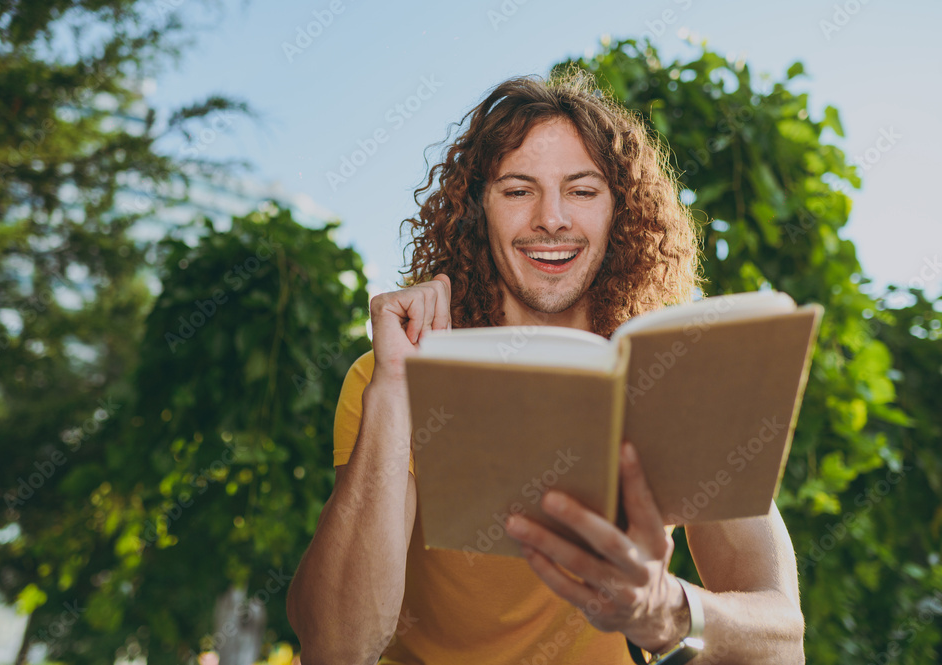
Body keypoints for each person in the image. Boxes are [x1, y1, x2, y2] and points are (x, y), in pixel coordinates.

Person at [286, 71, 805, 665]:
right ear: (477, 210)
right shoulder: (390, 377)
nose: (551, 218)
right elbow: (335, 646)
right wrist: (395, 393)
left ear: (620, 211)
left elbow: (782, 642)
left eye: (582, 190)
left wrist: (669, 610)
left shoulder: (675, 381)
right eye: (517, 190)